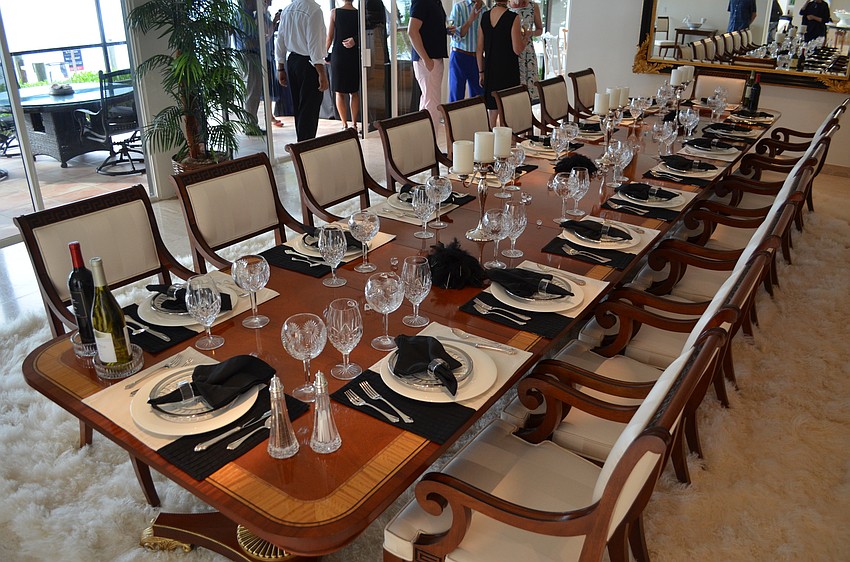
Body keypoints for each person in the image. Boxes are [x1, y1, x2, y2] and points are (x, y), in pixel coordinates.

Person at [276, 0, 328, 141]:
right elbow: (314, 44)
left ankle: (301, 144)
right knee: (309, 109)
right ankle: (305, 147)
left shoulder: (287, 10)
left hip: (292, 61)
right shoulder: (314, 10)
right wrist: (321, 72)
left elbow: (280, 40)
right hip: (309, 63)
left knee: (299, 106)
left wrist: (281, 67)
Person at [477, 0, 527, 125]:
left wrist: (481, 71)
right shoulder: (513, 17)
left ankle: (490, 142)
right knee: (508, 110)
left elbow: (479, 49)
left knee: (492, 112)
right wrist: (525, 39)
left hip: (490, 69)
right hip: (508, 70)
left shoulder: (485, 16)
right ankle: (508, 142)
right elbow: (517, 49)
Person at [408, 0, 454, 125]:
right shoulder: (422, 2)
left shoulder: (436, 2)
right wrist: (426, 59)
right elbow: (412, 31)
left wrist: (445, 31)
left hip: (433, 58)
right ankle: (431, 142)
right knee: (432, 103)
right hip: (428, 59)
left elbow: (430, 27)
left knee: (428, 101)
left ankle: (426, 140)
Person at [326, 0, 361, 130]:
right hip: (353, 55)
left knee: (339, 92)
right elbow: (362, 35)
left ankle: (344, 124)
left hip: (338, 55)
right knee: (354, 92)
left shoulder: (334, 12)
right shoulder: (359, 14)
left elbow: (329, 37)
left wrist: (324, 54)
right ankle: (355, 124)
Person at [448, 0, 485, 102]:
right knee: (456, 97)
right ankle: (454, 118)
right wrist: (470, 20)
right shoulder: (459, 7)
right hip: (459, 56)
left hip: (478, 59)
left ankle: (477, 118)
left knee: (479, 98)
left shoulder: (487, 11)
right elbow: (456, 36)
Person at [508, 0, 543, 102]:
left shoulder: (532, 6)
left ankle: (527, 114)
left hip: (527, 53)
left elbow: (540, 30)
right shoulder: (506, 6)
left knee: (528, 89)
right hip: (511, 51)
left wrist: (530, 33)